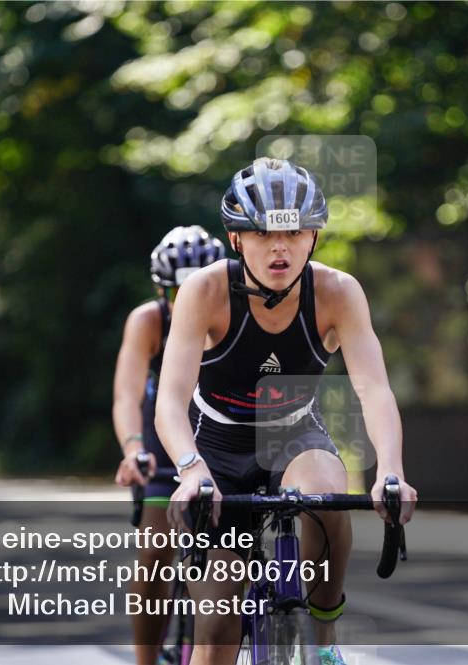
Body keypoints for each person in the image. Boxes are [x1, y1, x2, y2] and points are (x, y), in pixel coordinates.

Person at [156, 158, 418, 665]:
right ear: (236, 238)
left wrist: (390, 470)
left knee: (327, 496)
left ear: (313, 236)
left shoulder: (337, 292)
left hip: (294, 435)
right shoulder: (204, 291)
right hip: (217, 448)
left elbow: (374, 390)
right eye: (263, 234)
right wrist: (191, 470)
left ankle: (324, 639)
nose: (280, 247)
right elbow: (170, 399)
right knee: (216, 627)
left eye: (294, 233)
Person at [112, 226, 225, 665]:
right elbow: (127, 394)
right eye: (178, 290)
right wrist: (133, 448)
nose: (189, 297)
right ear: (162, 290)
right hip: (162, 444)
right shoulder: (149, 321)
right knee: (157, 550)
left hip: (220, 440)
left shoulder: (236, 315)